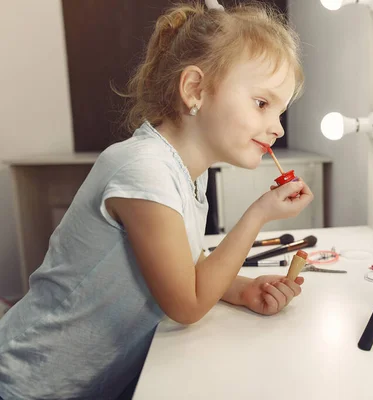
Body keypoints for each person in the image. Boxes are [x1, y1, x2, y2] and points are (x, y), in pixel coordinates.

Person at [0, 2, 312, 399]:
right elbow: (187, 304)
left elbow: (185, 266)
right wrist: (258, 215)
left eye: (281, 111)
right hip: (25, 383)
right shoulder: (143, 169)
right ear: (195, 89)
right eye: (262, 103)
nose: (278, 127)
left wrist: (242, 289)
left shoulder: (184, 176)